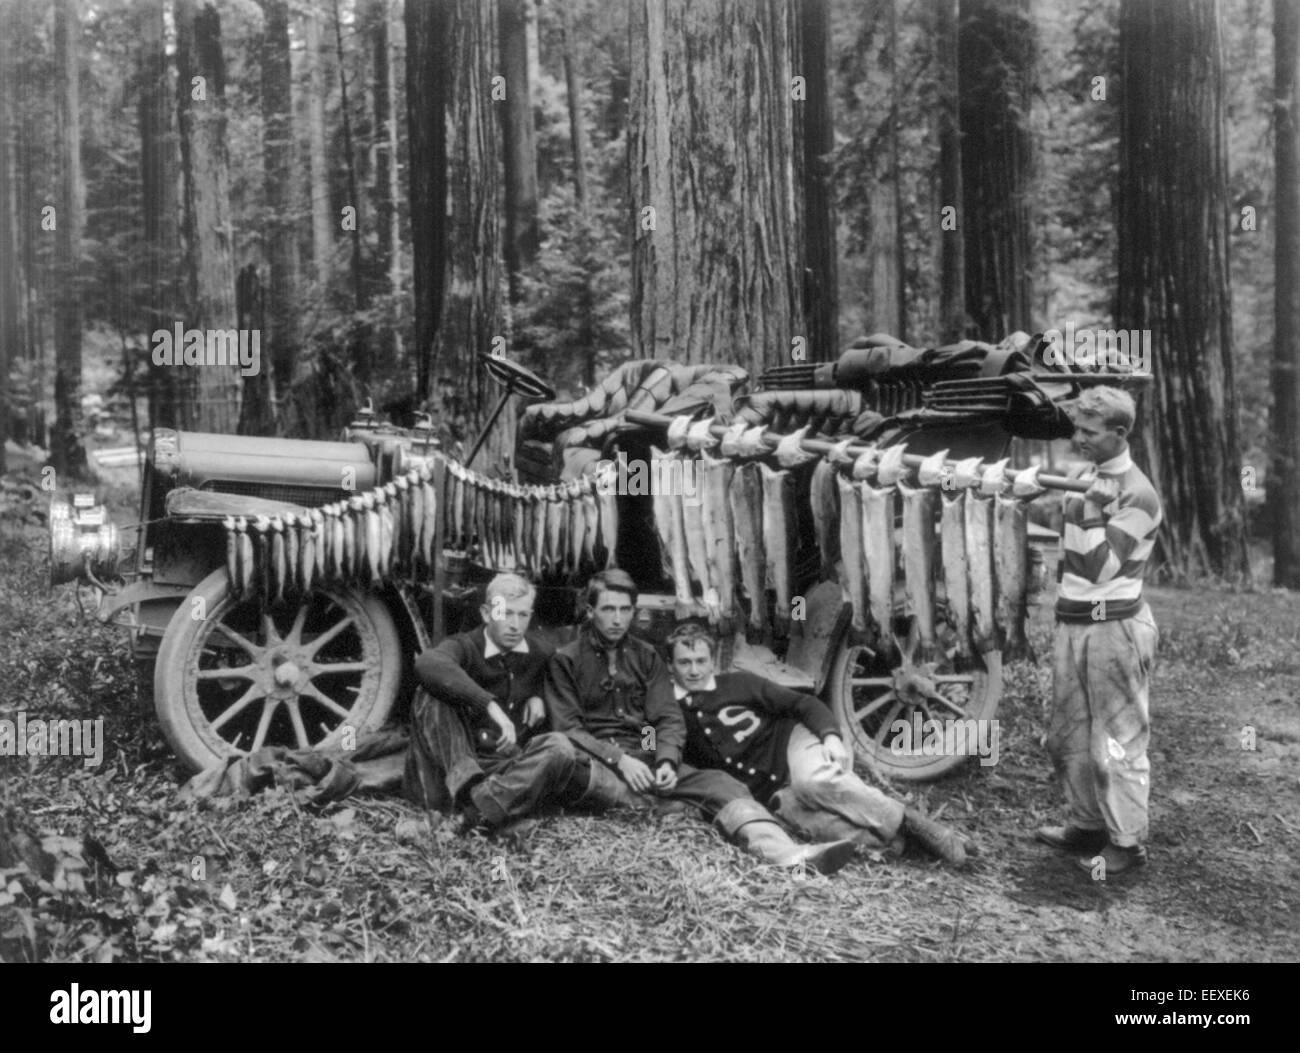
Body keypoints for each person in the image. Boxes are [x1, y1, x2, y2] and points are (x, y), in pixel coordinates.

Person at [545, 569, 856, 875]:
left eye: (625, 609)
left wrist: (665, 760)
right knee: (582, 775)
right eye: (608, 609)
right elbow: (568, 728)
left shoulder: (646, 657)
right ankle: (658, 805)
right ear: (590, 611)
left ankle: (787, 854)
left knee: (722, 783)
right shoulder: (566, 659)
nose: (617, 619)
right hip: (596, 757)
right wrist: (620, 760)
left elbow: (665, 717)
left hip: (644, 754)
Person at [664, 622, 972, 866]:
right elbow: (665, 748)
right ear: (671, 665)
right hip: (770, 790)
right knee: (814, 823)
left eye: (701, 661)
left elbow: (803, 704)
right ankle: (904, 844)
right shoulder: (670, 713)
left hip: (791, 746)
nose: (694, 670)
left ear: (712, 660)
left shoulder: (737, 683)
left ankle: (915, 822)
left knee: (814, 782)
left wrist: (831, 737)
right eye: (685, 662)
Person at [1036, 386, 1162, 877]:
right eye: (1077, 429)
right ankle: (1086, 824)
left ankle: (1127, 843)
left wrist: (1087, 506)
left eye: (1090, 432)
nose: (1079, 439)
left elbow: (1099, 566)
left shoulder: (1137, 493)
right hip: (1076, 625)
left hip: (1115, 627)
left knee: (1116, 743)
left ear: (1120, 433)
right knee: (1068, 736)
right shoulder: (1089, 477)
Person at [403, 572, 599, 834]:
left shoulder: (540, 654)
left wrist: (539, 694)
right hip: (452, 767)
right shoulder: (465, 646)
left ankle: (475, 813)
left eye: (523, 615)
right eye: (505, 613)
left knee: (559, 748)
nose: (515, 625)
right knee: (430, 692)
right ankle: (477, 805)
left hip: (501, 772)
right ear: (486, 613)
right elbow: (427, 664)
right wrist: (489, 705)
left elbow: (565, 687)